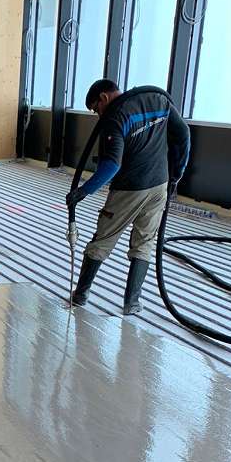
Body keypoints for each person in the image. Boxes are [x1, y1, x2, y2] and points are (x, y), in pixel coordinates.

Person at [67, 78, 191, 315]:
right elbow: (184, 132)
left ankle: (81, 294)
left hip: (129, 189)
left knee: (103, 239)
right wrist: (177, 174)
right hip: (159, 185)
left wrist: (83, 191)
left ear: (104, 98)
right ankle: (132, 303)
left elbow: (111, 165)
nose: (98, 115)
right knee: (144, 242)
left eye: (96, 109)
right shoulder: (158, 100)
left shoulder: (115, 117)